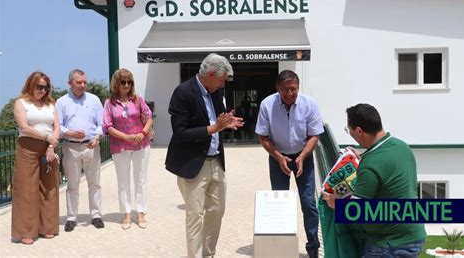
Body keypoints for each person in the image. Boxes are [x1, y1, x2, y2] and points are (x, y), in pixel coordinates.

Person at [165, 53, 244, 258]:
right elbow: (180, 133)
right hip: (192, 164)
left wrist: (227, 123)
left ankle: (208, 254)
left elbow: (218, 120)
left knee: (217, 209)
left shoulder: (216, 90)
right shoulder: (183, 92)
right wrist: (214, 128)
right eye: (221, 79)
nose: (222, 84)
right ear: (209, 74)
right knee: (195, 217)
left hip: (216, 160)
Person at [322, 103, 426, 257]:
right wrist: (362, 160)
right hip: (413, 235)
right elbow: (387, 177)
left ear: (359, 130)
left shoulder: (371, 163)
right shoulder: (402, 147)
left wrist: (333, 202)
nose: (350, 133)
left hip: (389, 244)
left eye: (348, 129)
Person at [255, 69, 324, 258]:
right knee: (281, 204)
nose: (289, 93)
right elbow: (262, 135)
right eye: (285, 89)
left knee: (308, 203)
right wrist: (278, 157)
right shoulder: (267, 105)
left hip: (304, 156)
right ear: (277, 88)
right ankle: (282, 248)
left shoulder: (309, 104)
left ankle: (313, 249)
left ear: (298, 87)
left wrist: (302, 157)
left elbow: (314, 135)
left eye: (293, 89)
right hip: (278, 158)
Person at [11, 71, 60, 244]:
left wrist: (51, 146)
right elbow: (24, 127)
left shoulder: (51, 105)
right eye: (39, 86)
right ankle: (26, 232)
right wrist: (47, 138)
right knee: (27, 190)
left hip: (49, 148)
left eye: (46, 87)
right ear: (31, 85)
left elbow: (56, 127)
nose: (43, 90)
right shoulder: (21, 103)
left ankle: (48, 227)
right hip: (28, 147)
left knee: (49, 187)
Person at [103, 68, 153, 230]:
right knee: (123, 181)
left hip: (141, 144)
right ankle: (126, 213)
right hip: (120, 146)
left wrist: (143, 132)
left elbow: (149, 117)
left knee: (141, 179)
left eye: (129, 82)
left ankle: (140, 212)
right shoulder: (109, 103)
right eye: (122, 82)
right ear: (116, 84)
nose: (126, 85)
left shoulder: (138, 99)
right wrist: (126, 137)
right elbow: (107, 126)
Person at [55, 69, 104, 232]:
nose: (82, 85)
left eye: (84, 82)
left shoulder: (94, 100)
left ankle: (96, 215)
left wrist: (97, 137)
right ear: (70, 83)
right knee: (72, 184)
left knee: (94, 183)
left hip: (92, 146)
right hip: (70, 147)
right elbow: (57, 126)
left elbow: (101, 123)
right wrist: (68, 132)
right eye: (79, 82)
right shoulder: (61, 102)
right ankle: (71, 217)